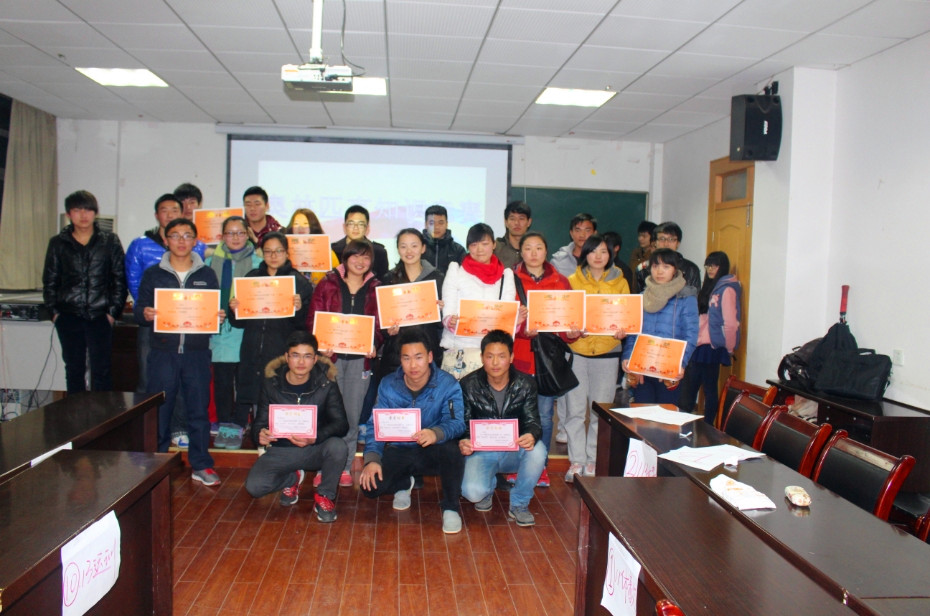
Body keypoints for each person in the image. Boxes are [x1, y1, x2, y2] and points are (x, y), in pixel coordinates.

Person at [134, 218, 224, 486]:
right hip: (163, 352)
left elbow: (213, 309)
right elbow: (139, 310)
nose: (181, 241)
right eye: (175, 235)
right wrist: (145, 313)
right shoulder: (153, 274)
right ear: (166, 240)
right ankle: (156, 463)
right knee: (160, 410)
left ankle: (201, 464)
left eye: (187, 235)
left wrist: (217, 317)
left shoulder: (207, 274)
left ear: (195, 240)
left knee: (198, 410)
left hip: (197, 353)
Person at [359, 327, 466, 534]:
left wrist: (436, 433)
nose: (413, 365)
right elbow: (376, 425)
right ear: (400, 360)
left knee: (453, 451)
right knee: (369, 487)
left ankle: (451, 508)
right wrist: (372, 459)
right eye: (406, 358)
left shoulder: (447, 384)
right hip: (399, 449)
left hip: (433, 450)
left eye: (418, 357)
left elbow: (457, 422)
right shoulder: (388, 384)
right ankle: (404, 481)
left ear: (430, 357)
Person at [125, 194, 207, 447]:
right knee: (149, 377)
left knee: (181, 380)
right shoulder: (140, 245)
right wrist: (149, 311)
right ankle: (147, 429)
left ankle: (178, 428)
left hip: (186, 329)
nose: (170, 214)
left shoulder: (198, 248)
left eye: (175, 210)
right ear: (156, 215)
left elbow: (204, 296)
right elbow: (134, 282)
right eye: (164, 210)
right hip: (154, 324)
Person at [245, 332, 348, 522]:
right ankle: (292, 479)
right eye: (295, 355)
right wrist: (259, 434)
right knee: (255, 487)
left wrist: (315, 437)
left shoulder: (326, 383)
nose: (301, 362)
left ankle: (325, 496)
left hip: (314, 448)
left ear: (315, 359)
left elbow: (341, 424)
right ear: (286, 357)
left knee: (338, 446)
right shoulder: (271, 383)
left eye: (307, 356)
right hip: (282, 449)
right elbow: (259, 422)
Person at [228, 232, 313, 449]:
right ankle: (260, 443)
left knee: (279, 397)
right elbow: (238, 322)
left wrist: (299, 309)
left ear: (287, 253)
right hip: (252, 347)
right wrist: (234, 309)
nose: (273, 256)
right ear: (262, 253)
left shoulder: (299, 283)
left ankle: (281, 446)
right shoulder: (251, 278)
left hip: (281, 351)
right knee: (255, 396)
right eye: (268, 251)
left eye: (278, 251)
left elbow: (305, 325)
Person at [307, 239, 381, 487]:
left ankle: (346, 465)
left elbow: (379, 325)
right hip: (330, 360)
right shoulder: (327, 283)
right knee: (327, 415)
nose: (360, 262)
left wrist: (375, 343)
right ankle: (324, 467)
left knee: (351, 414)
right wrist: (320, 343)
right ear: (346, 258)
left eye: (366, 257)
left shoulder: (376, 288)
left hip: (360, 362)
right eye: (355, 256)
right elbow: (313, 318)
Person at [511, 231, 579, 487]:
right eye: (528, 248)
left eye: (538, 247)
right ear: (521, 252)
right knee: (517, 414)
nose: (533, 253)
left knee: (544, 415)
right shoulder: (510, 279)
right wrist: (521, 329)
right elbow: (503, 320)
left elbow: (567, 324)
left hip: (548, 362)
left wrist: (572, 332)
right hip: (519, 357)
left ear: (546, 251)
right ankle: (516, 466)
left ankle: (540, 467)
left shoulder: (561, 281)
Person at [42, 190, 127, 393]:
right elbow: (50, 280)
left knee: (102, 370)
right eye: (77, 210)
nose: (83, 215)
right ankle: (76, 412)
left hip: (100, 315)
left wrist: (112, 313)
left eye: (88, 210)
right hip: (68, 315)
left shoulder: (109, 241)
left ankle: (103, 412)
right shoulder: (58, 243)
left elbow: (119, 279)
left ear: (95, 213)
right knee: (74, 369)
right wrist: (55, 313)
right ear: (68, 214)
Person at [459, 330, 545, 526]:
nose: (495, 363)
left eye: (501, 356)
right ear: (482, 357)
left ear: (511, 357)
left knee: (538, 451)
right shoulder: (468, 384)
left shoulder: (526, 384)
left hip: (514, 449)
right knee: (472, 492)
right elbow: (463, 423)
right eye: (489, 356)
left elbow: (533, 421)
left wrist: (531, 434)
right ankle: (487, 489)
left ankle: (520, 503)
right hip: (481, 451)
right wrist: (464, 439)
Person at [564, 234, 629, 482]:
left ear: (611, 254)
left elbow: (627, 317)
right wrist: (570, 330)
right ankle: (576, 461)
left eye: (604, 251)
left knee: (601, 412)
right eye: (593, 251)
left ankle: (592, 460)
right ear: (585, 254)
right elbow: (565, 315)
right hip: (577, 352)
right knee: (575, 411)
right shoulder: (571, 281)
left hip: (607, 353)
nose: (598, 256)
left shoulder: (621, 282)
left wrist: (623, 330)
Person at [205, 216, 261, 444]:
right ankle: (224, 421)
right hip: (219, 330)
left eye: (240, 233)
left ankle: (240, 422)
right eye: (230, 233)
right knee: (222, 380)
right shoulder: (210, 262)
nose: (235, 237)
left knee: (244, 379)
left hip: (247, 330)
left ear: (248, 234)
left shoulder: (258, 262)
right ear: (222, 236)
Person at [622, 248, 699, 406]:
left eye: (666, 267)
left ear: (675, 270)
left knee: (665, 415)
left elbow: (691, 335)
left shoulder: (686, 298)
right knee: (642, 415)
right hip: (642, 369)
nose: (659, 271)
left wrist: (680, 364)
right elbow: (633, 333)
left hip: (669, 371)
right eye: (655, 266)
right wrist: (628, 358)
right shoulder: (642, 296)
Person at [439, 223, 516, 380]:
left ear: (494, 245)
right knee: (457, 395)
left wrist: (516, 320)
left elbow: (507, 316)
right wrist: (450, 321)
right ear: (468, 247)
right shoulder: (456, 271)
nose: (479, 249)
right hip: (460, 349)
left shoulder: (505, 276)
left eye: (485, 244)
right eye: (474, 245)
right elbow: (448, 307)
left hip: (492, 354)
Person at [677, 252, 741, 423]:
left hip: (711, 347)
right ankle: (687, 423)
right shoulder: (710, 286)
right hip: (699, 344)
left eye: (714, 265)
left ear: (722, 267)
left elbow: (730, 323)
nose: (710, 269)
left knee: (708, 389)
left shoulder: (727, 289)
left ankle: (708, 426)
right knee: (692, 389)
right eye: (708, 265)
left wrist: (729, 348)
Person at [379, 228, 445, 379]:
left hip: (427, 350)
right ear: (398, 249)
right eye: (403, 246)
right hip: (397, 354)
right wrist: (388, 330)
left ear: (423, 248)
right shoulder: (389, 279)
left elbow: (442, 324)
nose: (409, 251)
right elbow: (381, 321)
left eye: (414, 246)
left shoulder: (437, 278)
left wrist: (441, 311)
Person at [636, 222, 700, 293]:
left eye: (671, 239)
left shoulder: (690, 268)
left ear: (678, 243)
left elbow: (694, 295)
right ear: (655, 243)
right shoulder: (643, 269)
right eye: (662, 239)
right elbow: (640, 297)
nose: (666, 244)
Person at [330, 205, 389, 278]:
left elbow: (383, 281)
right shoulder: (332, 251)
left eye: (360, 224)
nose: (356, 228)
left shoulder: (379, 252)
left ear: (367, 228)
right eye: (351, 224)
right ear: (344, 227)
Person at [285, 208, 339, 286]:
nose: (300, 227)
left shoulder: (327, 253)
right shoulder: (284, 253)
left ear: (313, 226)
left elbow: (336, 280)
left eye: (305, 223)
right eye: (296, 224)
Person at [421, 204, 466, 274]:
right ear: (426, 224)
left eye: (441, 223)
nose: (436, 227)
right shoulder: (417, 248)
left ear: (446, 224)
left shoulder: (458, 250)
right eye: (432, 223)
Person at [550, 213, 597, 278]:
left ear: (594, 234)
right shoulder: (558, 261)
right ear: (571, 233)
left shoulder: (602, 259)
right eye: (578, 230)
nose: (582, 235)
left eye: (587, 230)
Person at [493, 200, 532, 268]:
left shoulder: (535, 249)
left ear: (529, 222)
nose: (517, 223)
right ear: (506, 222)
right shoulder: (495, 248)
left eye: (521, 218)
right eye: (512, 219)